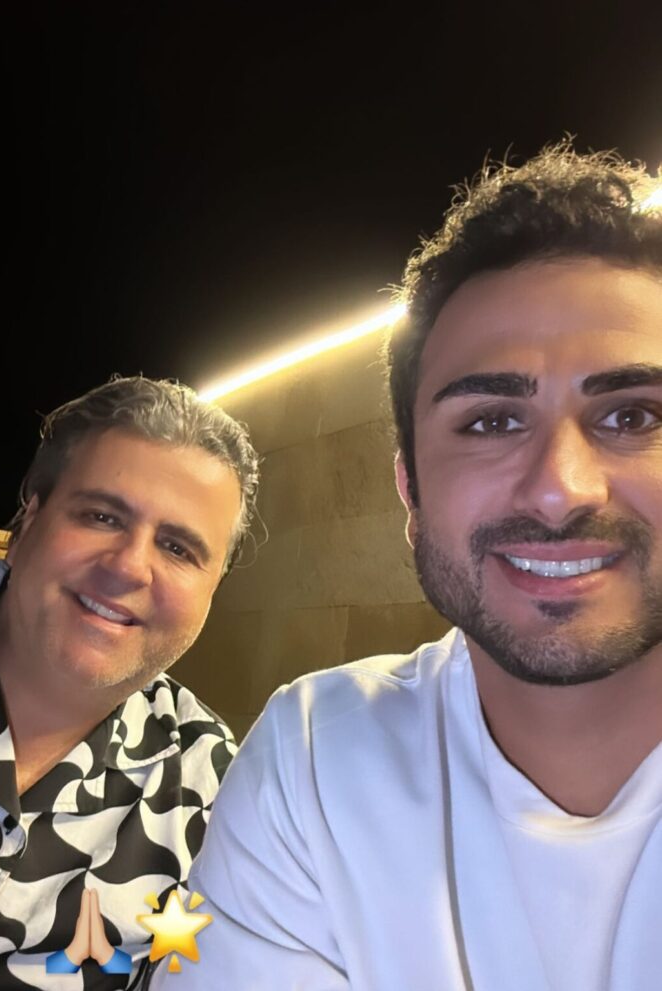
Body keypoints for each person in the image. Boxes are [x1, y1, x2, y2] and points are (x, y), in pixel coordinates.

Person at [151, 144, 662, 990]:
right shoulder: (315, 754)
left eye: (633, 415)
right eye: (492, 422)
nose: (560, 489)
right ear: (410, 491)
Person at [0, 376, 259, 990]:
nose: (129, 566)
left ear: (212, 592)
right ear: (29, 519)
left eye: (178, 548)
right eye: (101, 516)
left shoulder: (215, 789)